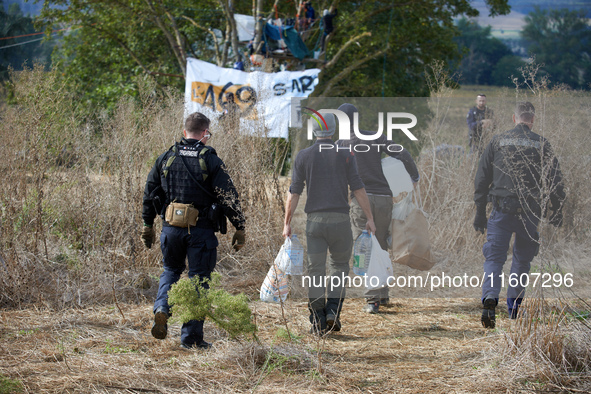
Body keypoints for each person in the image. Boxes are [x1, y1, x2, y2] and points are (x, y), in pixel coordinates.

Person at [141, 112, 246, 348]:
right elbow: (229, 197)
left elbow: (149, 194)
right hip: (200, 232)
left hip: (170, 230)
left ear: (184, 130)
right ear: (205, 133)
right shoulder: (210, 159)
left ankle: (162, 308)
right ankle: (191, 339)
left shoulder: (166, 157)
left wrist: (147, 226)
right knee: (199, 281)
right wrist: (239, 226)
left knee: (170, 270)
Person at [474, 101, 566, 328]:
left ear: (514, 119)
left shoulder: (497, 141)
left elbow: (481, 179)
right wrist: (557, 210)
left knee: (494, 258)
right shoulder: (542, 143)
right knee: (522, 260)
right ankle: (514, 308)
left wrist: (479, 213)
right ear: (532, 120)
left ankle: (489, 300)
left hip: (500, 210)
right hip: (530, 212)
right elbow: (555, 181)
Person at [283, 111, 376, 335]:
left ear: (313, 130)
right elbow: (358, 188)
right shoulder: (345, 154)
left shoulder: (304, 156)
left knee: (315, 271)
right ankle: (333, 310)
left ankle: (317, 320)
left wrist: (286, 222)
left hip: (314, 223)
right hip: (341, 223)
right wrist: (370, 218)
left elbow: (294, 192)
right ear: (334, 129)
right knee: (339, 268)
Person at [337, 103, 420, 314]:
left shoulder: (340, 144)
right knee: (381, 244)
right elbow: (403, 153)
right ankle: (383, 294)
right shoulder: (375, 136)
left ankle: (372, 299)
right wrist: (414, 177)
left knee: (364, 248)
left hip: (360, 200)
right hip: (384, 198)